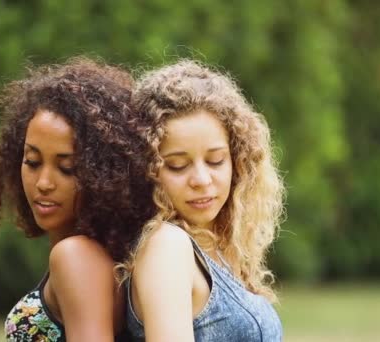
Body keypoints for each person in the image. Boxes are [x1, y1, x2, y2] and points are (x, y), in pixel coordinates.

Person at [0, 57, 153, 341]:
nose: (44, 183)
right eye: (32, 161)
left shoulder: (76, 257)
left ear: (107, 174)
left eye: (68, 168)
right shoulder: (104, 256)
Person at [121, 60, 286, 341]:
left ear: (238, 161)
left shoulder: (215, 246)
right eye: (176, 165)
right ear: (145, 171)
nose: (201, 179)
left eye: (215, 160)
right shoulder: (167, 247)